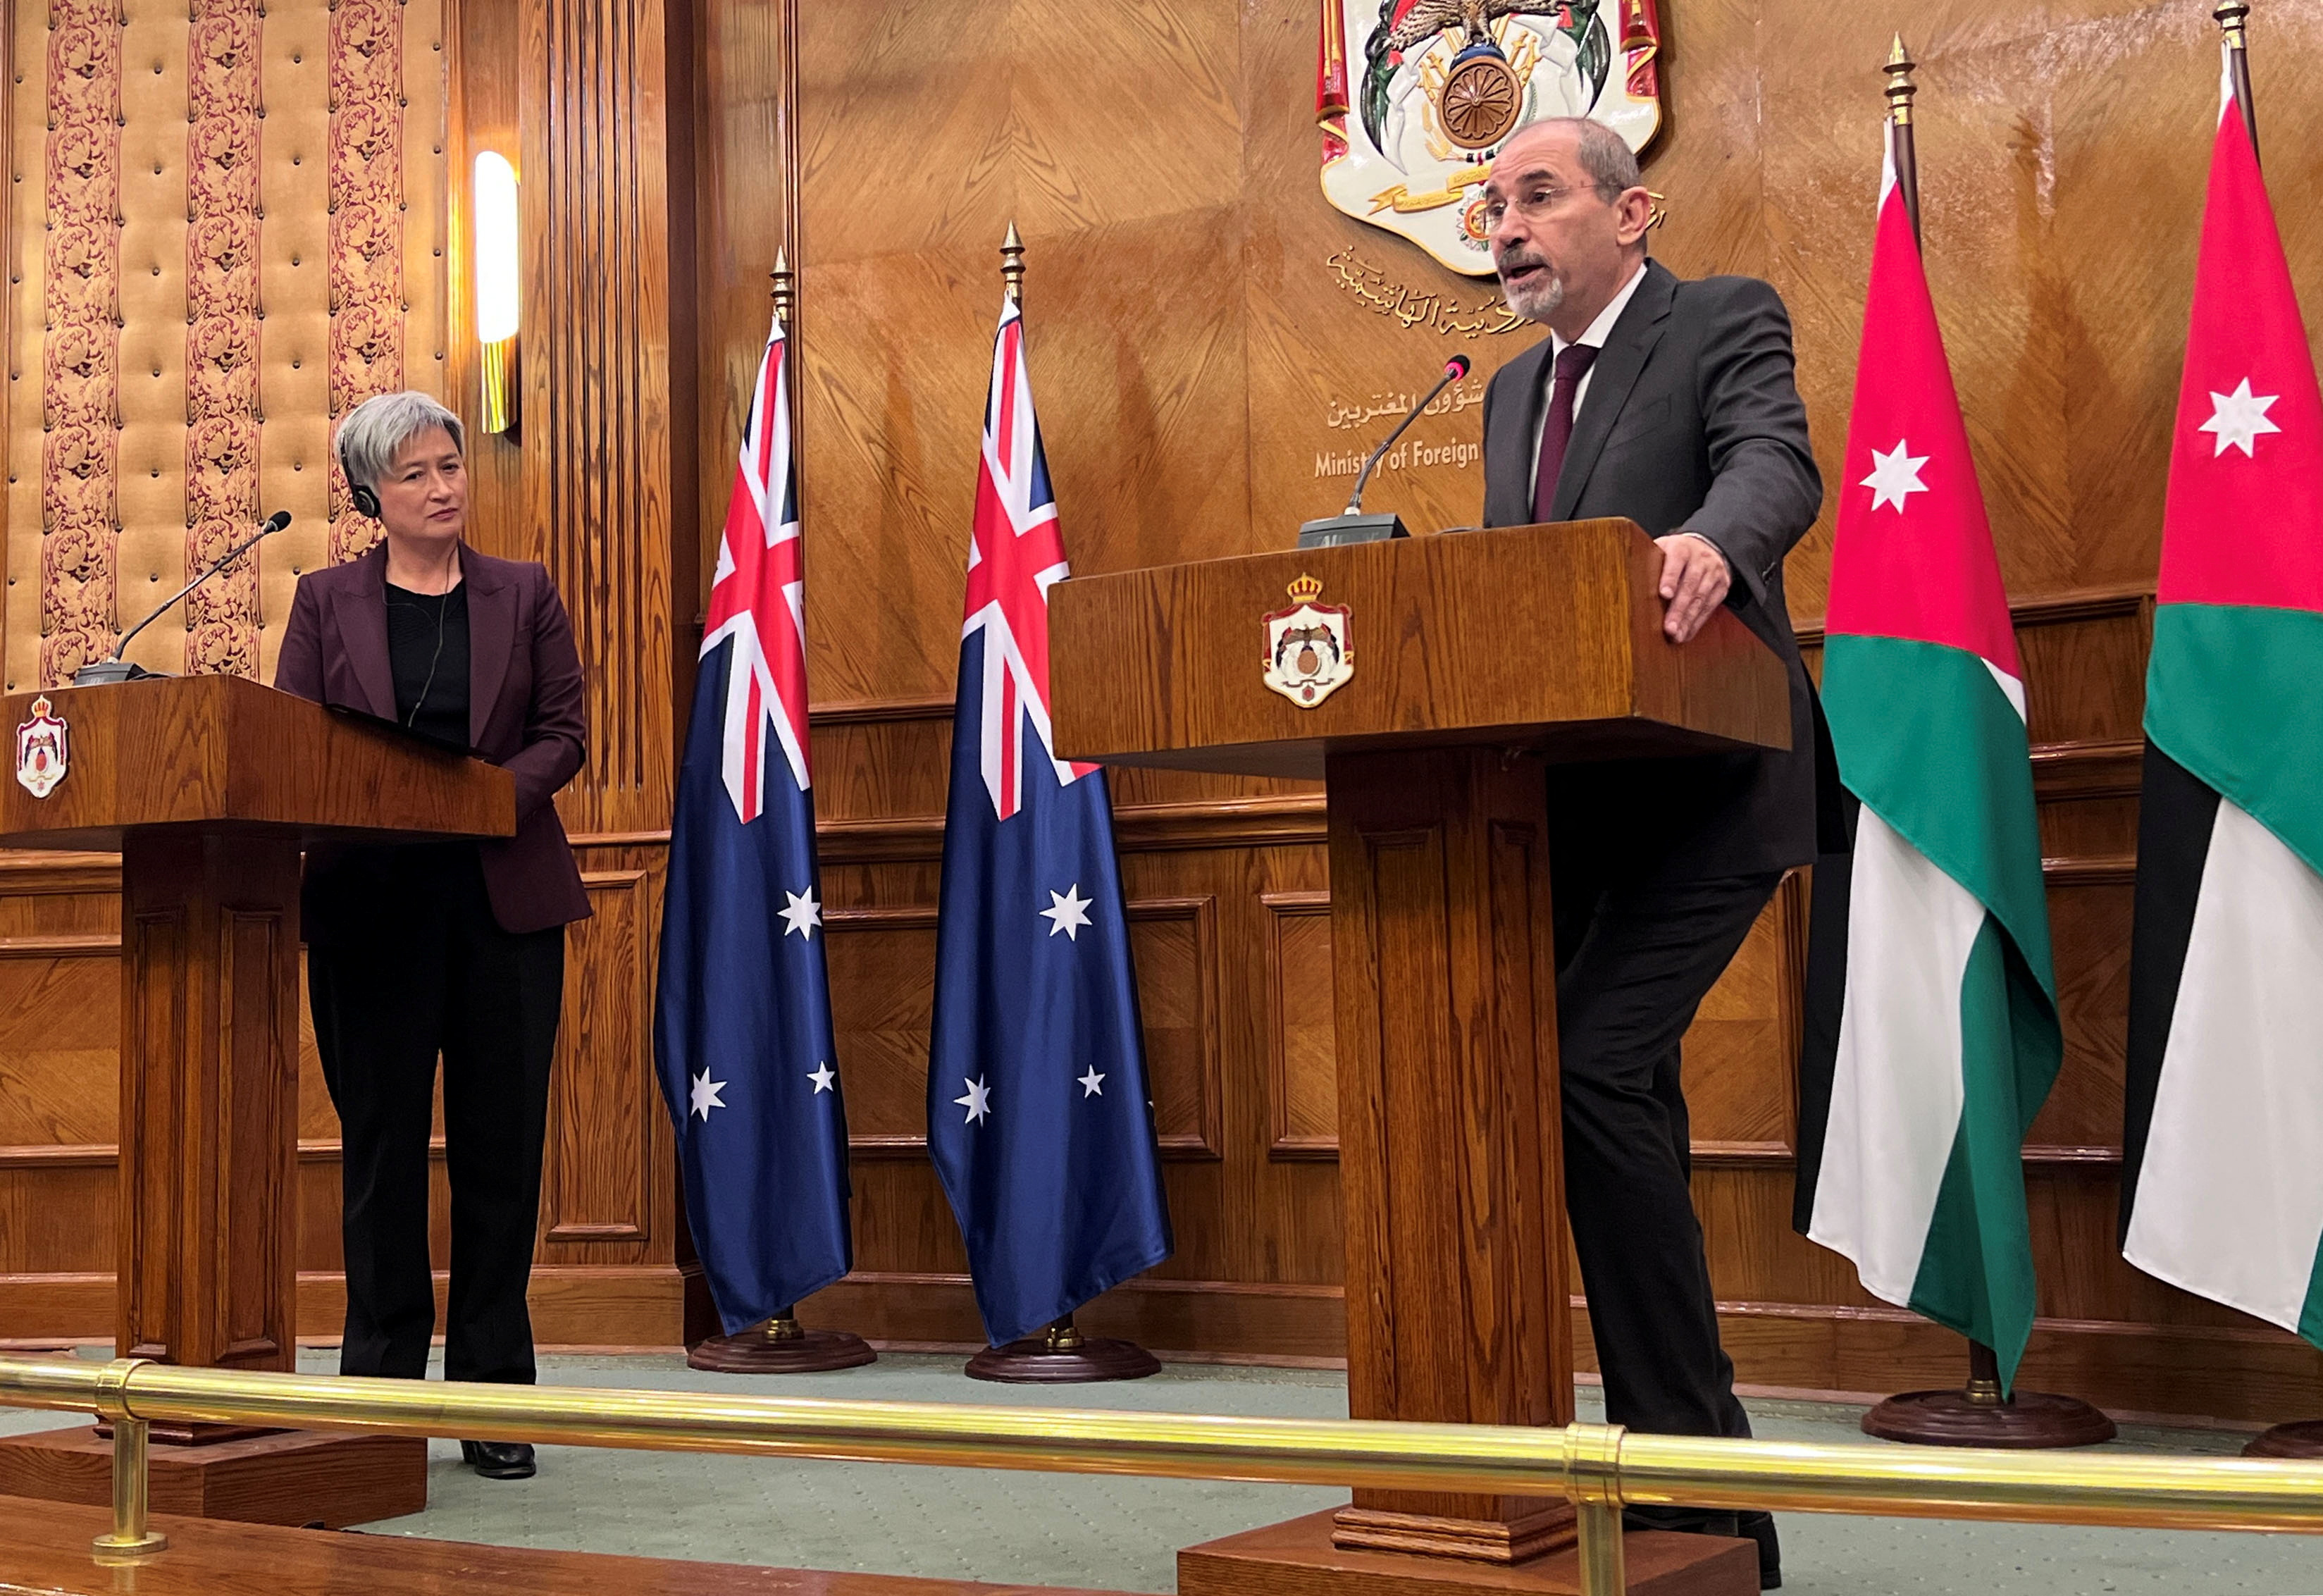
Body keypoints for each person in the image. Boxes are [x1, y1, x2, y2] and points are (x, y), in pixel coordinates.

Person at [1477, 118, 1836, 1591]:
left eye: (1535, 196)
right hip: (1565, 808)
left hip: (1711, 792)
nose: (1504, 224)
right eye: (1491, 204)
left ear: (1630, 213)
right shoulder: (1503, 395)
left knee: (1586, 1066)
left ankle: (1684, 1460)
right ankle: (1705, 1515)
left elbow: (1776, 465)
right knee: (1603, 1096)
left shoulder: (1717, 318)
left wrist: (1703, 542)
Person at [276, 390, 590, 1482]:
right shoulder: (322, 603)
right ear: (372, 495)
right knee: (381, 1161)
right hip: (372, 914)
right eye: (414, 473)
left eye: (450, 464)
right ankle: (381, 1394)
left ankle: (497, 1394)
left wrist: (484, 802)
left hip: (503, 908)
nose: (443, 485)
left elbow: (565, 733)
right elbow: (292, 742)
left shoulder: (526, 591)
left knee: (502, 1161)